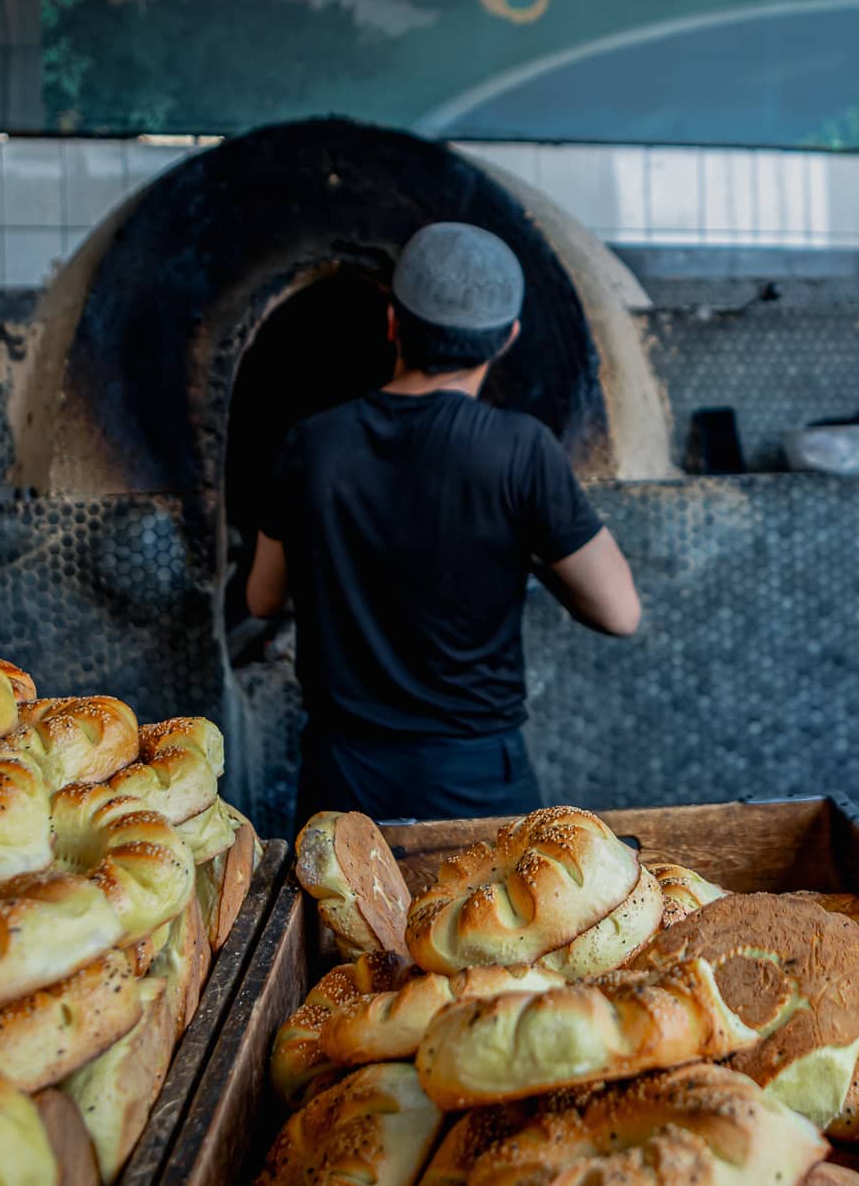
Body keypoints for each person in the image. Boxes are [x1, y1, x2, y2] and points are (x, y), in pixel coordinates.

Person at [246, 222, 642, 824]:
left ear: (392, 323)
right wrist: (531, 553)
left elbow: (261, 598)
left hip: (343, 775)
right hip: (474, 777)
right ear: (506, 340)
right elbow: (620, 613)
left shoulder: (311, 444)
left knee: (342, 893)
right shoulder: (520, 450)